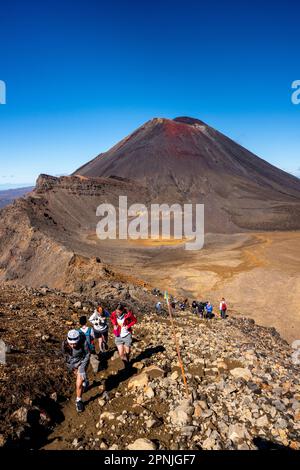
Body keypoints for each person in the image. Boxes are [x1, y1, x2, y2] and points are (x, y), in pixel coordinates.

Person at [62, 329, 90, 413]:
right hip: (73, 364)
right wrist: (71, 366)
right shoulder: (64, 344)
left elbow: (87, 354)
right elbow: (65, 356)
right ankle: (85, 381)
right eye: (71, 344)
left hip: (82, 361)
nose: (73, 346)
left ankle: (78, 401)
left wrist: (81, 368)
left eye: (74, 344)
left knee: (78, 383)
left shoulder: (83, 342)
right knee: (79, 378)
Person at [110, 303, 137, 369]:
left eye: (119, 312)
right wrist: (114, 325)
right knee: (121, 354)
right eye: (116, 311)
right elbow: (112, 318)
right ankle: (127, 366)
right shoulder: (114, 314)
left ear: (122, 311)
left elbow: (134, 320)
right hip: (118, 335)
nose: (117, 313)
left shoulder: (128, 315)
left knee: (127, 353)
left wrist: (128, 326)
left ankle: (128, 363)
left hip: (127, 335)